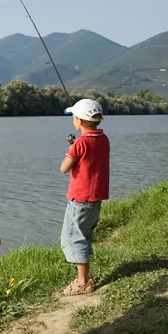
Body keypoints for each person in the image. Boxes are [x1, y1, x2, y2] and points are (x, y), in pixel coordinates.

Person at [59, 99, 110, 296]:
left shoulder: (80, 143)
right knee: (85, 236)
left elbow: (64, 168)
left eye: (73, 117)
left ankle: (82, 282)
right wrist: (77, 144)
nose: (73, 120)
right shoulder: (103, 139)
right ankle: (85, 276)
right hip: (95, 198)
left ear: (79, 120)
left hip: (79, 198)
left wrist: (73, 147)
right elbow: (90, 154)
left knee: (73, 238)